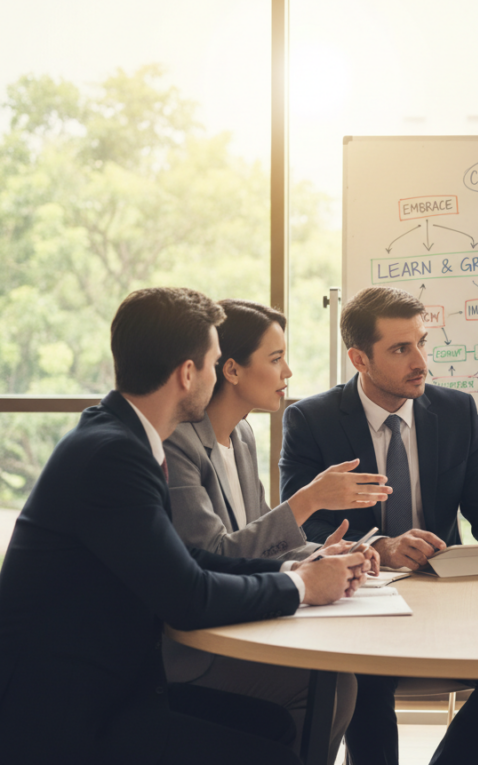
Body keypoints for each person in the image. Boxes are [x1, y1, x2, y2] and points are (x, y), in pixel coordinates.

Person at [0, 287, 369, 765]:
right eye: (214, 364)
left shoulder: (122, 437)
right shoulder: (114, 455)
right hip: (70, 713)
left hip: (111, 689)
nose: (217, 378)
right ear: (187, 373)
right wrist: (301, 588)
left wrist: (294, 572)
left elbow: (187, 559)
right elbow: (188, 596)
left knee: (275, 726)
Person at [280, 285, 478, 765]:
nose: (420, 361)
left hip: (447, 597)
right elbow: (301, 530)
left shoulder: (456, 411)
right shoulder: (312, 420)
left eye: (421, 343)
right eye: (401, 349)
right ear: (360, 359)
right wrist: (381, 546)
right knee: (365, 680)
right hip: (361, 599)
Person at [165, 299, 388, 763]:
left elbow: (260, 539)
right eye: (275, 358)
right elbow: (213, 553)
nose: (288, 372)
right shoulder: (179, 444)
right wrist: (309, 499)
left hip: (244, 620)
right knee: (330, 685)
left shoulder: (242, 435)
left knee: (339, 682)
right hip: (195, 648)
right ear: (231, 369)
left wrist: (321, 554)